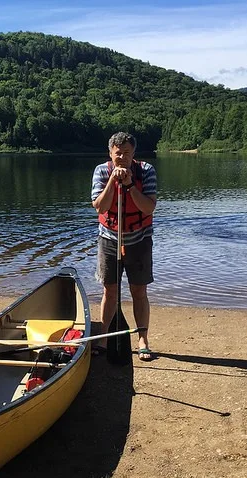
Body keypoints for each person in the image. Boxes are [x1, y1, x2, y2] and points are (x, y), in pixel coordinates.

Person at [91, 131, 157, 361]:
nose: (122, 158)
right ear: (111, 153)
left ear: (133, 154)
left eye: (127, 153)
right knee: (109, 290)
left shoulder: (146, 171)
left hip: (139, 239)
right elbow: (100, 207)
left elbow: (148, 208)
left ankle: (143, 339)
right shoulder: (101, 171)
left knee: (139, 291)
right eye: (118, 153)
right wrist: (113, 181)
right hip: (109, 239)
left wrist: (129, 184)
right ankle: (103, 338)